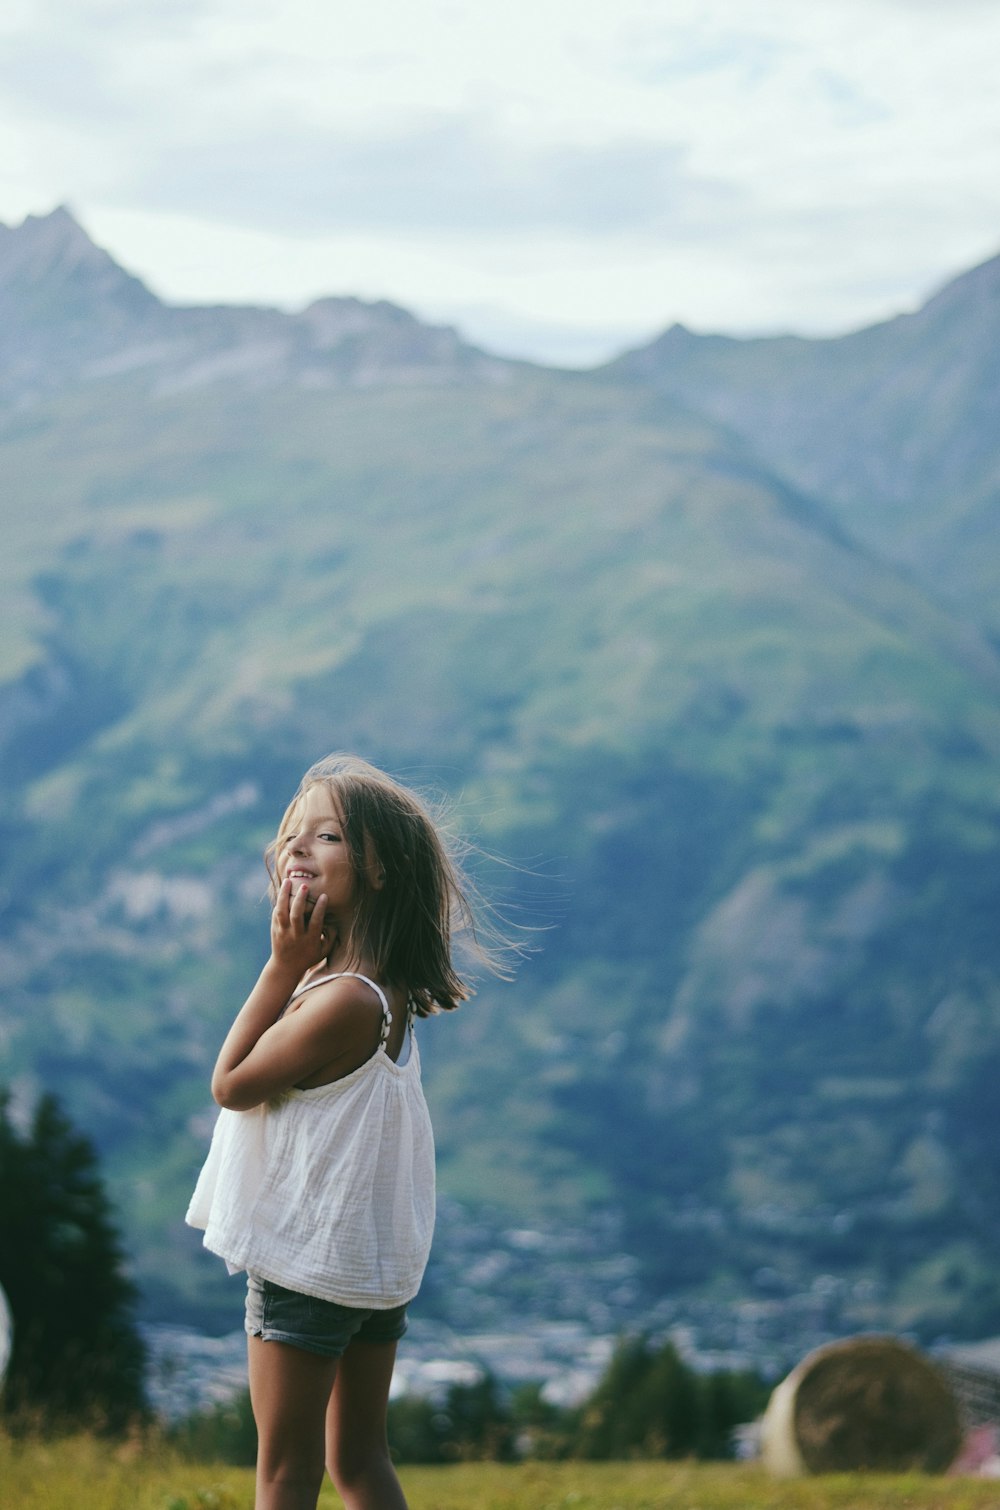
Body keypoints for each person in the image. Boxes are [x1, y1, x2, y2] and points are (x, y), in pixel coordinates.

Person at [187, 753, 502, 1510]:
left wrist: (278, 966)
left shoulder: (337, 1002)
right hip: (367, 1266)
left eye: (325, 836)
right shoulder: (379, 993)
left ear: (378, 869)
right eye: (292, 835)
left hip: (307, 1267)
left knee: (285, 1474)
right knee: (359, 1460)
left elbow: (230, 1085)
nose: (297, 848)